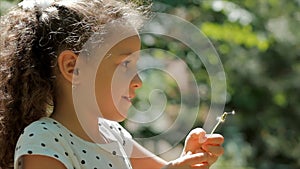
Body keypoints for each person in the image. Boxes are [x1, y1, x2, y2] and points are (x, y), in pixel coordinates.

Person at [0, 0, 224, 168]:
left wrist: (187, 159)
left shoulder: (114, 135)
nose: (138, 81)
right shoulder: (44, 140)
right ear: (73, 68)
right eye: (125, 65)